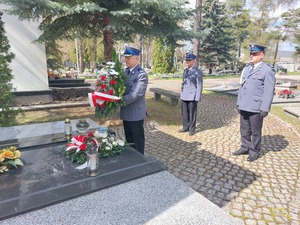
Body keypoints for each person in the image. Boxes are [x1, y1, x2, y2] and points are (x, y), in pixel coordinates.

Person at [234, 43, 276, 162]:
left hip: (256, 107)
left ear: (261, 55)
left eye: (255, 54)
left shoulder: (267, 71)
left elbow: (269, 91)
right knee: (244, 129)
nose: (251, 56)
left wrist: (265, 108)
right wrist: (239, 102)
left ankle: (254, 151)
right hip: (244, 105)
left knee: (256, 131)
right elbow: (242, 87)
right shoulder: (247, 69)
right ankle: (245, 147)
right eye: (251, 54)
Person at [120, 46, 148, 155]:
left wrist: (119, 100)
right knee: (129, 139)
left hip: (135, 113)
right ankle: (132, 158)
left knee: (138, 140)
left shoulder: (141, 74)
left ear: (136, 59)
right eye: (125, 58)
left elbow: (135, 94)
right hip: (126, 111)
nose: (126, 60)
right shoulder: (125, 72)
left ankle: (140, 160)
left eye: (129, 58)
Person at [179, 52, 203, 136]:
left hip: (192, 96)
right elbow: (183, 83)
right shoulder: (185, 71)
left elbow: (199, 85)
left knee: (192, 113)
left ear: (194, 61)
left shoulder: (197, 72)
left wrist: (197, 97)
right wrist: (181, 94)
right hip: (184, 95)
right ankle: (185, 126)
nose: (187, 62)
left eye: (189, 60)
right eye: (186, 60)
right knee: (184, 113)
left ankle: (192, 129)